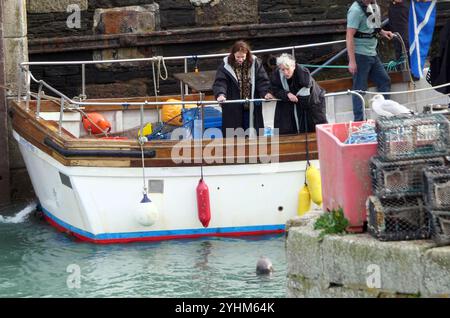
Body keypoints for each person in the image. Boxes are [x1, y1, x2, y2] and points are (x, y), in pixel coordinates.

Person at [212, 40, 274, 137]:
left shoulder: (255, 63)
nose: (240, 59)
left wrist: (266, 92)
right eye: (238, 57)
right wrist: (220, 94)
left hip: (251, 107)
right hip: (233, 107)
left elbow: (262, 80)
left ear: (247, 55)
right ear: (233, 55)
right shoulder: (225, 66)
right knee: (234, 135)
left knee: (253, 134)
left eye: (243, 57)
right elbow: (220, 82)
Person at [346, 0, 395, 121]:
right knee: (359, 88)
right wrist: (352, 61)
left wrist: (384, 32)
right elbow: (349, 36)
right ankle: (359, 120)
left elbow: (374, 27)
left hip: (372, 53)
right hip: (360, 55)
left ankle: (385, 116)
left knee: (384, 81)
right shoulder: (355, 10)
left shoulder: (375, 5)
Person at [270, 53, 327, 134]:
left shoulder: (303, 75)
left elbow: (306, 98)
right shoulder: (277, 74)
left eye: (287, 69)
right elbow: (274, 89)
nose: (285, 72)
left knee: (310, 126)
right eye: (282, 70)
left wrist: (294, 98)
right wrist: (287, 94)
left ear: (293, 66)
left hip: (313, 103)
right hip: (290, 101)